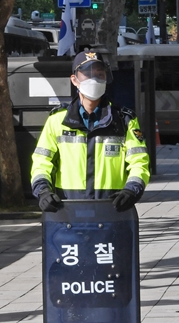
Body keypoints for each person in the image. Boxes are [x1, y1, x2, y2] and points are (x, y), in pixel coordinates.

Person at [30, 50, 150, 211]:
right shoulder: (57, 121)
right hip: (68, 211)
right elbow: (41, 162)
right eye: (87, 74)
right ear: (74, 80)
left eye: (100, 74)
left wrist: (131, 190)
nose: (94, 79)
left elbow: (139, 162)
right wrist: (43, 191)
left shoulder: (124, 120)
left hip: (112, 209)